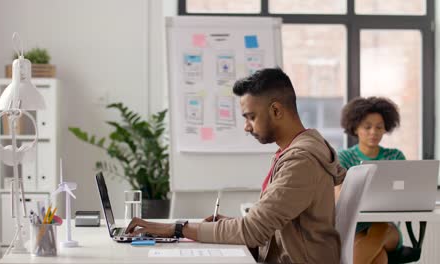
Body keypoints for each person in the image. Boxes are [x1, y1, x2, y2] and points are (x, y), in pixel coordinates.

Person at [125, 68, 346, 264]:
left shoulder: (301, 161)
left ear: (277, 111)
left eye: (251, 117)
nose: (246, 127)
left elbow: (252, 232)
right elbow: (267, 227)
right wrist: (235, 224)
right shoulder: (296, 152)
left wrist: (177, 228)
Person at [336, 96, 405, 264]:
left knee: (379, 228)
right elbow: (339, 198)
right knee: (378, 257)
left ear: (385, 128)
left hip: (388, 228)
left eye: (379, 127)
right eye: (367, 127)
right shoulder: (344, 157)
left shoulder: (395, 156)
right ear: (356, 128)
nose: (373, 132)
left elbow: (405, 193)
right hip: (355, 228)